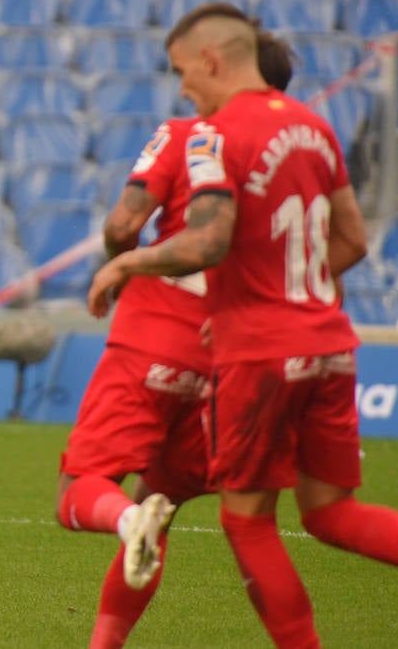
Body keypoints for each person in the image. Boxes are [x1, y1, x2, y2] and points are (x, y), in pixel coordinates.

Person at [87, 2, 398, 648]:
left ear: (212, 59)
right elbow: (350, 240)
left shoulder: (211, 134)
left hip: (260, 354)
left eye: (183, 71)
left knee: (250, 524)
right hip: (331, 344)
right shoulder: (315, 129)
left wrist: (130, 262)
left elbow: (209, 240)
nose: (183, 88)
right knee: (334, 514)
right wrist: (288, 287)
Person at [59, 32, 294, 649]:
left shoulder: (188, 135)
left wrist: (126, 265)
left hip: (155, 335)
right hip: (235, 357)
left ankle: (128, 521)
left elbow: (123, 223)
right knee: (202, 511)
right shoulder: (300, 148)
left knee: (84, 493)